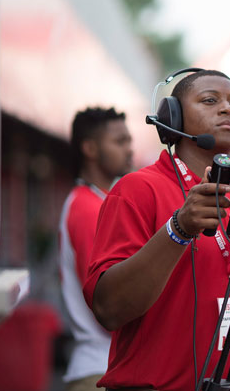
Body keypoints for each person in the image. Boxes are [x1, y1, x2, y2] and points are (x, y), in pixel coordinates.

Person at [83, 70, 230, 391]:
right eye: (210, 100)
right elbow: (109, 309)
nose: (228, 110)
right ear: (174, 117)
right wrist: (178, 229)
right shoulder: (137, 190)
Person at [59, 107, 133, 391]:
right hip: (100, 371)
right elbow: (109, 303)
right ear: (90, 148)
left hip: (103, 367)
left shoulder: (98, 201)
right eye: (119, 141)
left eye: (129, 141)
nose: (129, 149)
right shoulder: (88, 208)